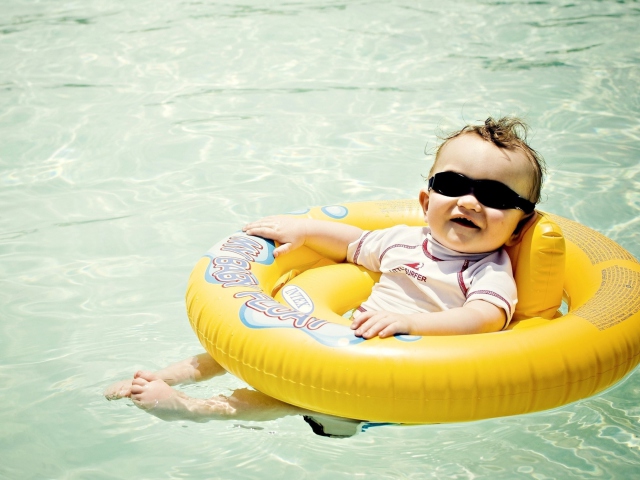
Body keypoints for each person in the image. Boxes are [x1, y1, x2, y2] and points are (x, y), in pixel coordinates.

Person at [104, 116, 545, 433]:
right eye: (453, 185)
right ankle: (164, 376)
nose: (469, 202)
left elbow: (484, 319)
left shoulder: (489, 270)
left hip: (396, 378)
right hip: (344, 342)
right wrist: (305, 230)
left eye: (493, 195)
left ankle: (194, 409)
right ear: (426, 201)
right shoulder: (404, 241)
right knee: (247, 345)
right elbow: (352, 243)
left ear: (519, 227)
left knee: (291, 398)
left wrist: (412, 324)